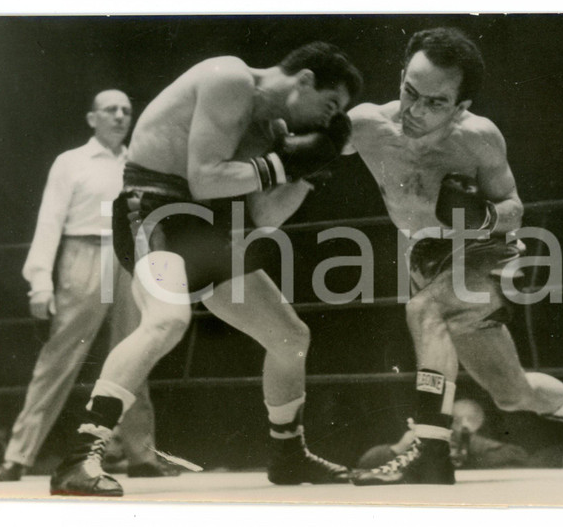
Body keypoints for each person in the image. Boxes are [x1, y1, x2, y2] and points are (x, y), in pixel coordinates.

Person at [49, 43, 363, 496]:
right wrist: (284, 163)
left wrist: (311, 170)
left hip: (204, 225)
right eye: (329, 105)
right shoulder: (229, 77)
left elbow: (266, 216)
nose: (324, 121)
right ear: (305, 80)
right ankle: (80, 456)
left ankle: (288, 453)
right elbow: (205, 177)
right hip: (152, 207)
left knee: (289, 337)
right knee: (167, 320)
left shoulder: (272, 127)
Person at [342, 27, 563, 485]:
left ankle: (430, 452)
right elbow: (311, 152)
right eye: (410, 92)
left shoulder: (478, 138)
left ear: (461, 106)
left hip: (485, 252)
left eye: (435, 102)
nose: (416, 110)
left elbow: (514, 209)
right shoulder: (368, 125)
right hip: (428, 259)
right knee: (511, 392)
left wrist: (478, 217)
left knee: (424, 309)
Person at [0, 90, 176, 482]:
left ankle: (142, 455)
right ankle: (18, 456)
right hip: (83, 255)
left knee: (135, 351)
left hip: (131, 258)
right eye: (111, 109)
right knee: (58, 359)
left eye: (126, 110)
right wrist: (39, 282)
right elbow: (49, 221)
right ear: (92, 118)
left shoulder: (138, 162)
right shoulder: (70, 162)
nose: (120, 116)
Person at [356, 399, 528, 471]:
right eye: (455, 420)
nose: (459, 426)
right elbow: (364, 464)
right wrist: (398, 448)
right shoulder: (423, 439)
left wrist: (470, 452)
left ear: (477, 424)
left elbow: (518, 456)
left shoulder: (475, 444)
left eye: (466, 422)